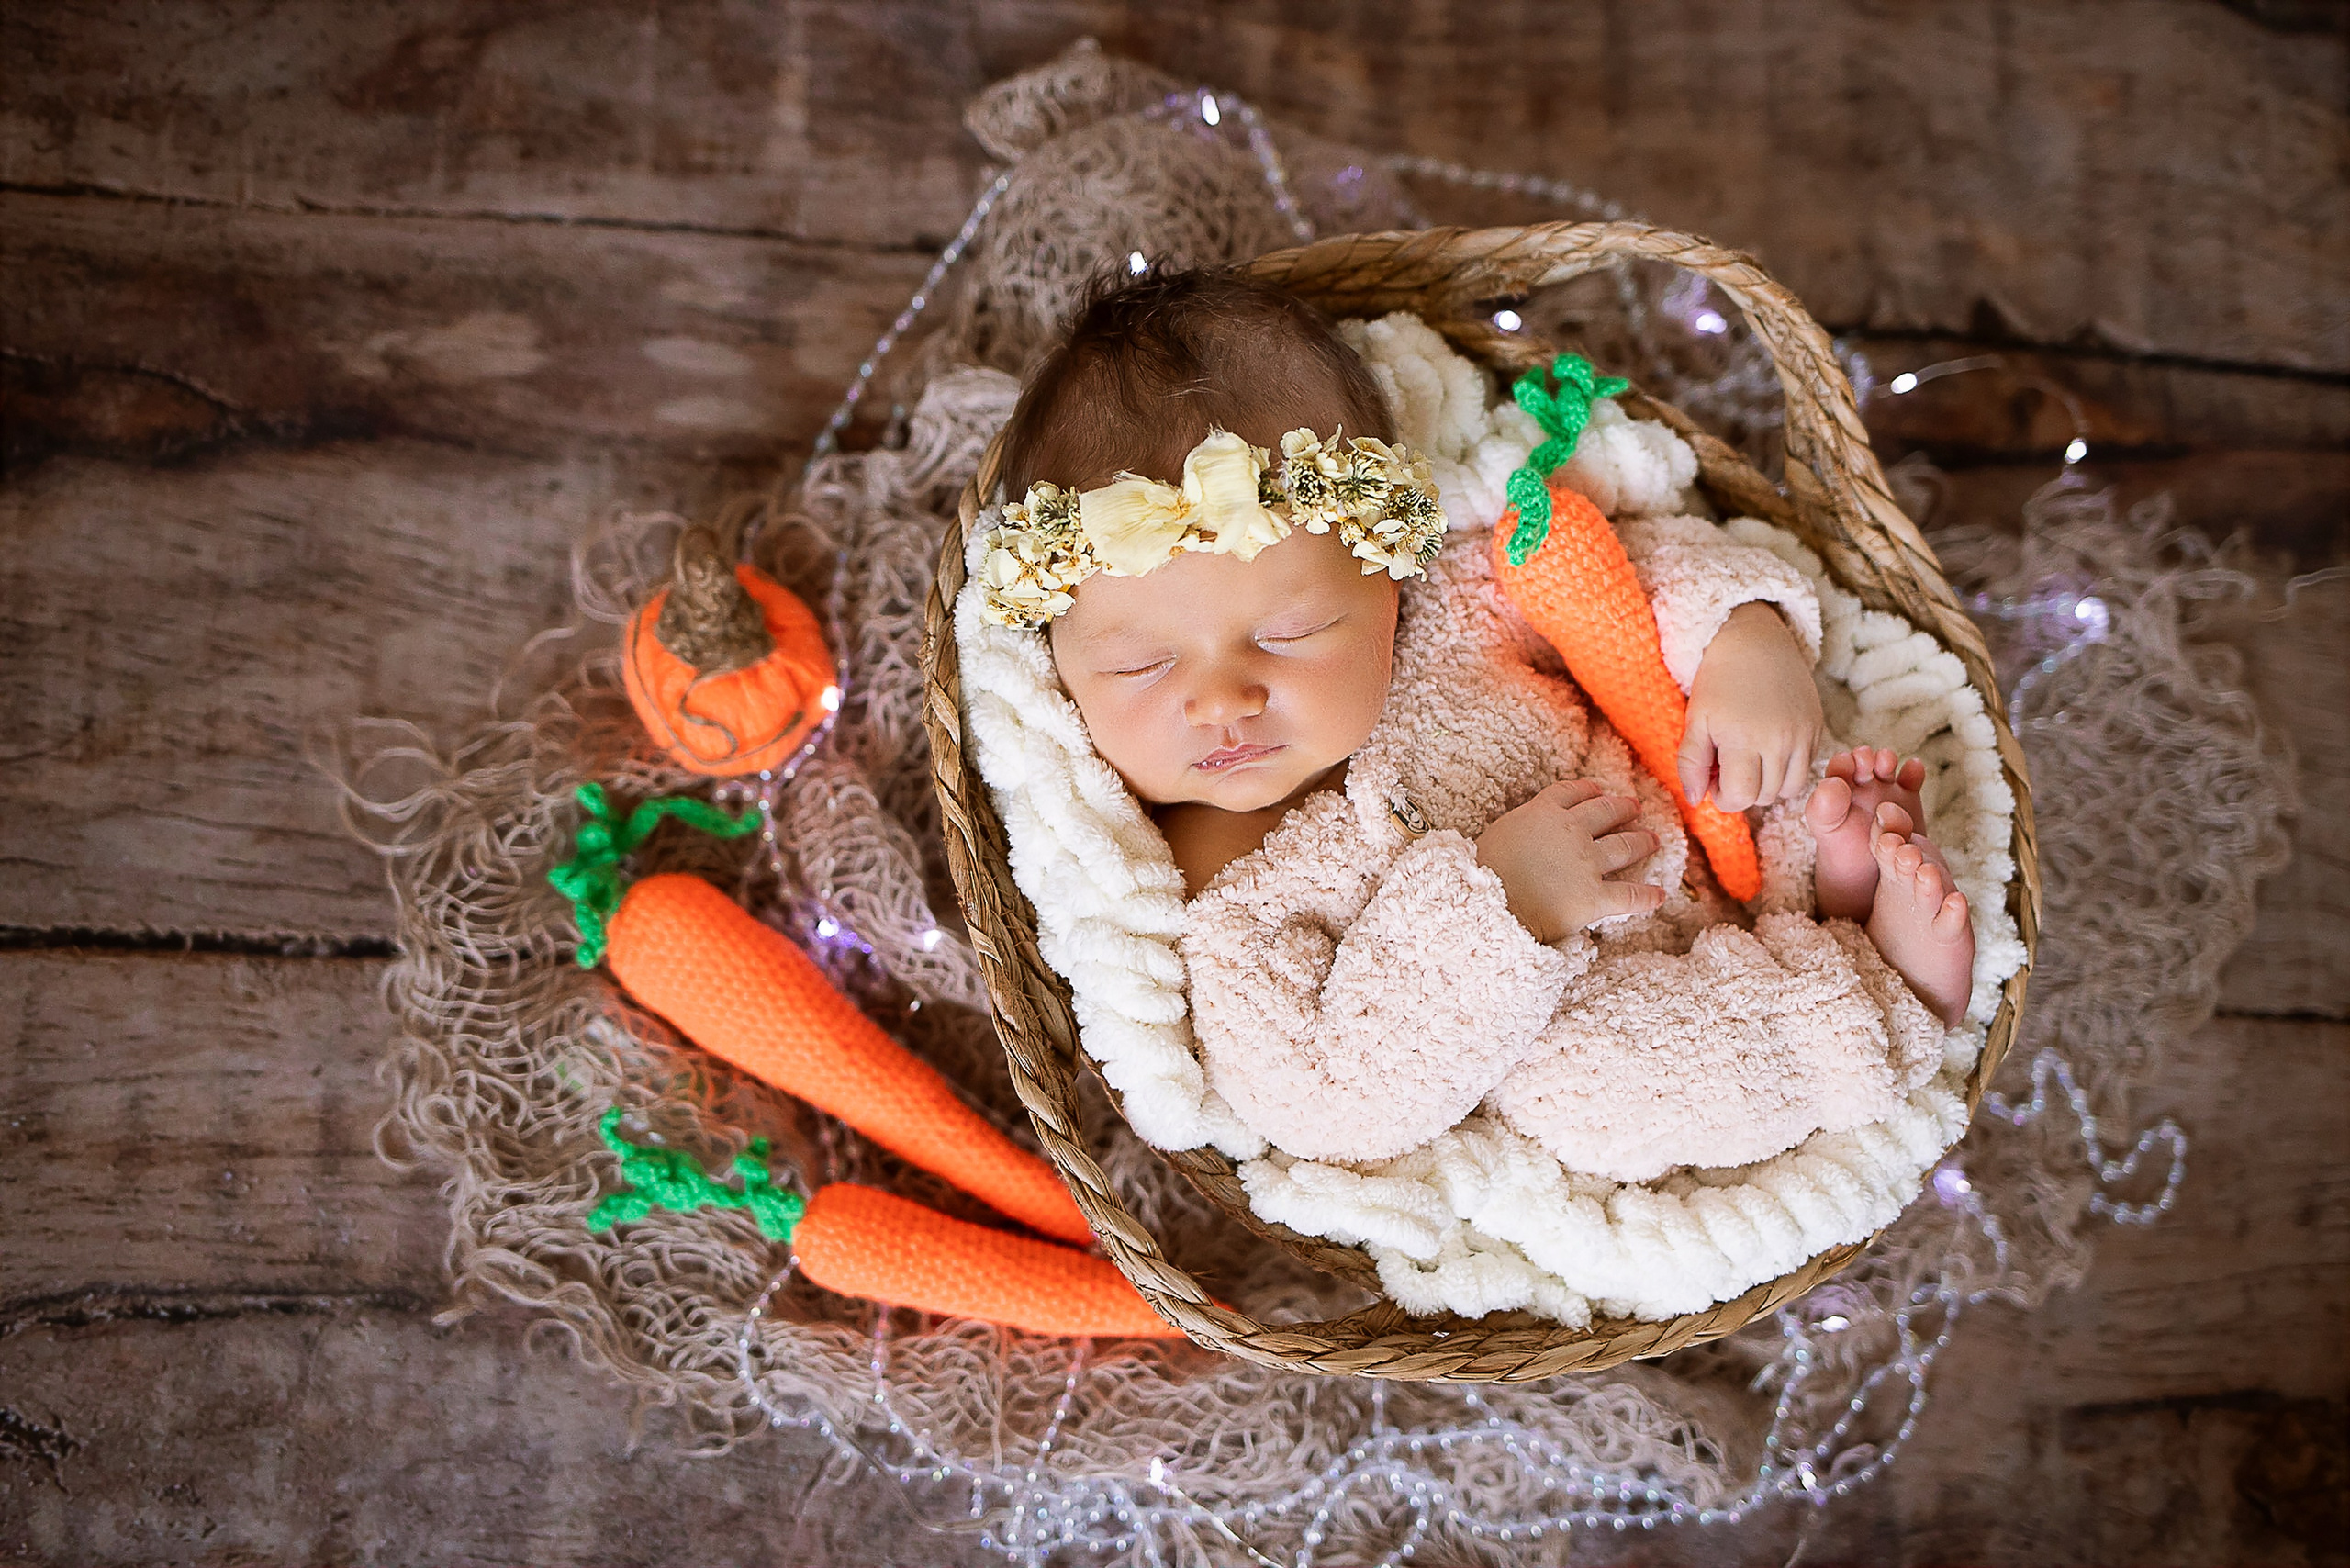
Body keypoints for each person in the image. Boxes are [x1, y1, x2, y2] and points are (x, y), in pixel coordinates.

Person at [972, 267, 1974, 1183]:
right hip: (1611, 1014)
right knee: (1594, 1094)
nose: (1222, 698)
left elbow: (1615, 576)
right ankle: (1881, 1003)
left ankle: (1827, 881)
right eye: (1140, 663)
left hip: (1694, 814)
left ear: (1384, 581)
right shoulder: (1205, 897)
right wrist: (1504, 906)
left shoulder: (1448, 612)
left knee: (1756, 753)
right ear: (1062, 661)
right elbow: (1324, 1091)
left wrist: (1743, 639)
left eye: (1290, 632)